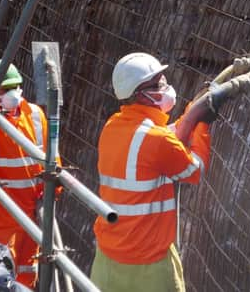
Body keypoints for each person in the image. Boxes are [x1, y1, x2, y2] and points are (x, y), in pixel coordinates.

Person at [91, 52, 217, 292]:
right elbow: (195, 170)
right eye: (159, 84)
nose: (166, 87)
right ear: (141, 94)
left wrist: (191, 113)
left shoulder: (113, 126)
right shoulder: (156, 140)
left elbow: (163, 139)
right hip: (149, 267)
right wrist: (202, 124)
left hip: (108, 260)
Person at [0, 61, 49, 288]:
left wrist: (52, 191)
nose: (12, 94)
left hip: (30, 211)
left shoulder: (35, 114)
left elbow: (50, 156)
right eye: (4, 89)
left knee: (27, 269)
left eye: (15, 86)